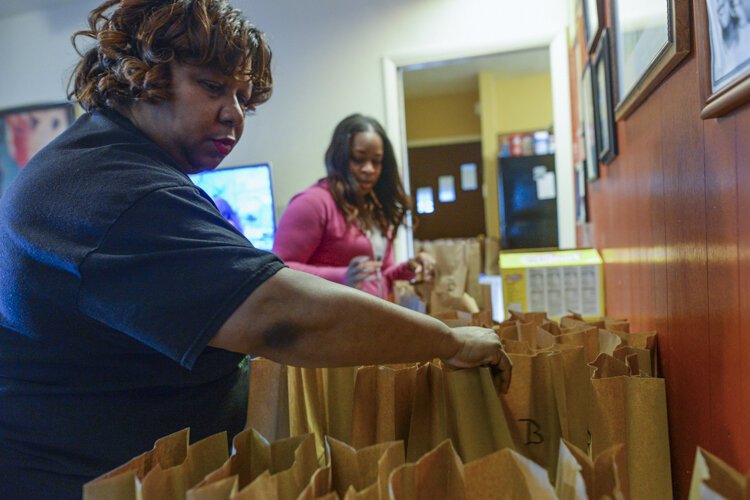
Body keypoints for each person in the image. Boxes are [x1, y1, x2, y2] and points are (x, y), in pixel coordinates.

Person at [0, 1, 511, 498]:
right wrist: (450, 342)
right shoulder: (118, 191)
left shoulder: (109, 165)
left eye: (244, 97)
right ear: (142, 75)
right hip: (87, 479)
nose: (235, 115)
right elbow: (279, 316)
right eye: (212, 86)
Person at [273, 114, 434, 299]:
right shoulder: (312, 203)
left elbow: (380, 278)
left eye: (376, 161)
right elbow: (280, 270)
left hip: (370, 319)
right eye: (359, 159)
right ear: (340, 157)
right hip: (327, 323)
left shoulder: (376, 208)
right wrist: (341, 277)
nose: (369, 169)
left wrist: (409, 268)